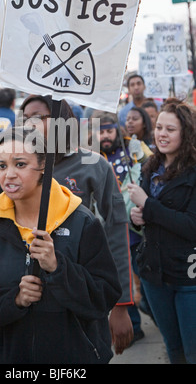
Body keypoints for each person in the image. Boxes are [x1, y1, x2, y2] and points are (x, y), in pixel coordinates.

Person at [0, 94, 134, 354]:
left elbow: (116, 232)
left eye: (38, 117)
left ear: (61, 121)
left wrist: (122, 303)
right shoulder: (11, 167)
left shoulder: (94, 166)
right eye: (24, 117)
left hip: (77, 315)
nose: (29, 123)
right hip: (19, 332)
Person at [128, 98, 196, 364]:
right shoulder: (151, 167)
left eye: (170, 129)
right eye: (159, 128)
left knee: (192, 353)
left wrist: (148, 205)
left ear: (186, 133)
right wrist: (138, 218)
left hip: (188, 277)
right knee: (173, 350)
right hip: (154, 275)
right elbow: (147, 218)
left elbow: (191, 226)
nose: (162, 134)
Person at [95, 112, 152, 345]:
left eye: (109, 130)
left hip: (136, 232)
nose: (106, 136)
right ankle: (134, 327)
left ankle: (155, 312)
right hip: (110, 233)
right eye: (101, 131)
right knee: (121, 281)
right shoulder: (92, 156)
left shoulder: (136, 149)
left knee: (147, 286)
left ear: (118, 130)